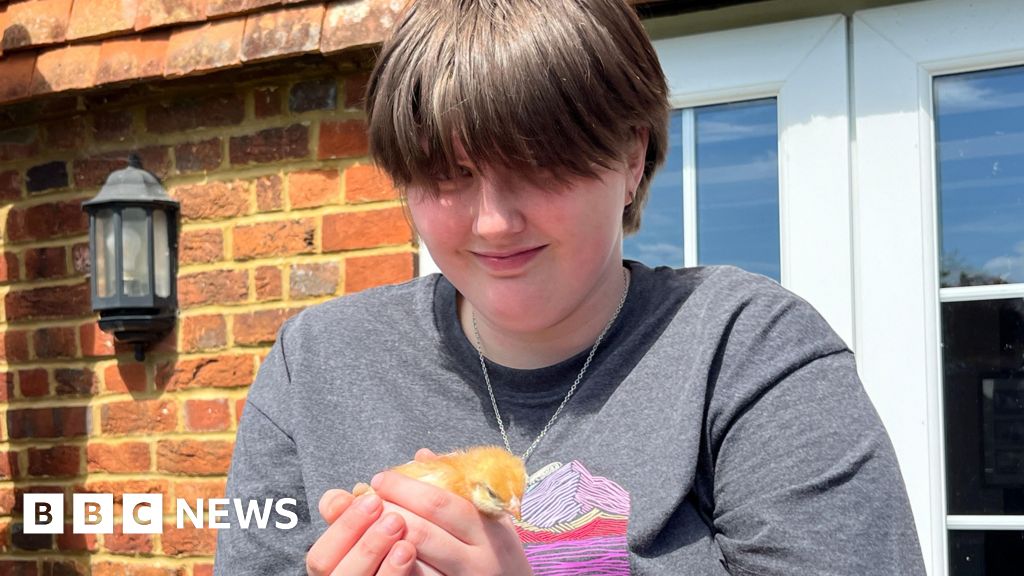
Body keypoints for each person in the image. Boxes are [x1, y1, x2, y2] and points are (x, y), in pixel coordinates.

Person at [214, 0, 927, 574]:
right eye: (447, 174)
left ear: (630, 155)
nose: (493, 221)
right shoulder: (317, 361)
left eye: (537, 162)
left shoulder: (746, 350)